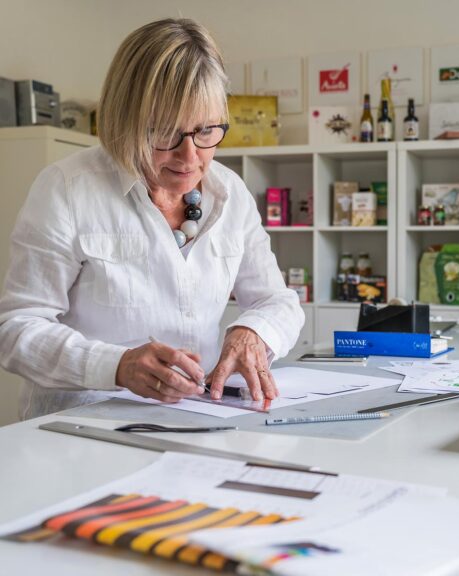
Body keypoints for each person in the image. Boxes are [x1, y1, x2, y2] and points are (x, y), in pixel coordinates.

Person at [0, 18, 304, 419]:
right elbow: (17, 329)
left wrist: (253, 332)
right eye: (165, 133)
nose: (191, 156)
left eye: (207, 130)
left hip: (200, 419)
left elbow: (277, 300)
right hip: (80, 426)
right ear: (124, 120)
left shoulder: (229, 193)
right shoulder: (67, 189)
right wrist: (116, 366)